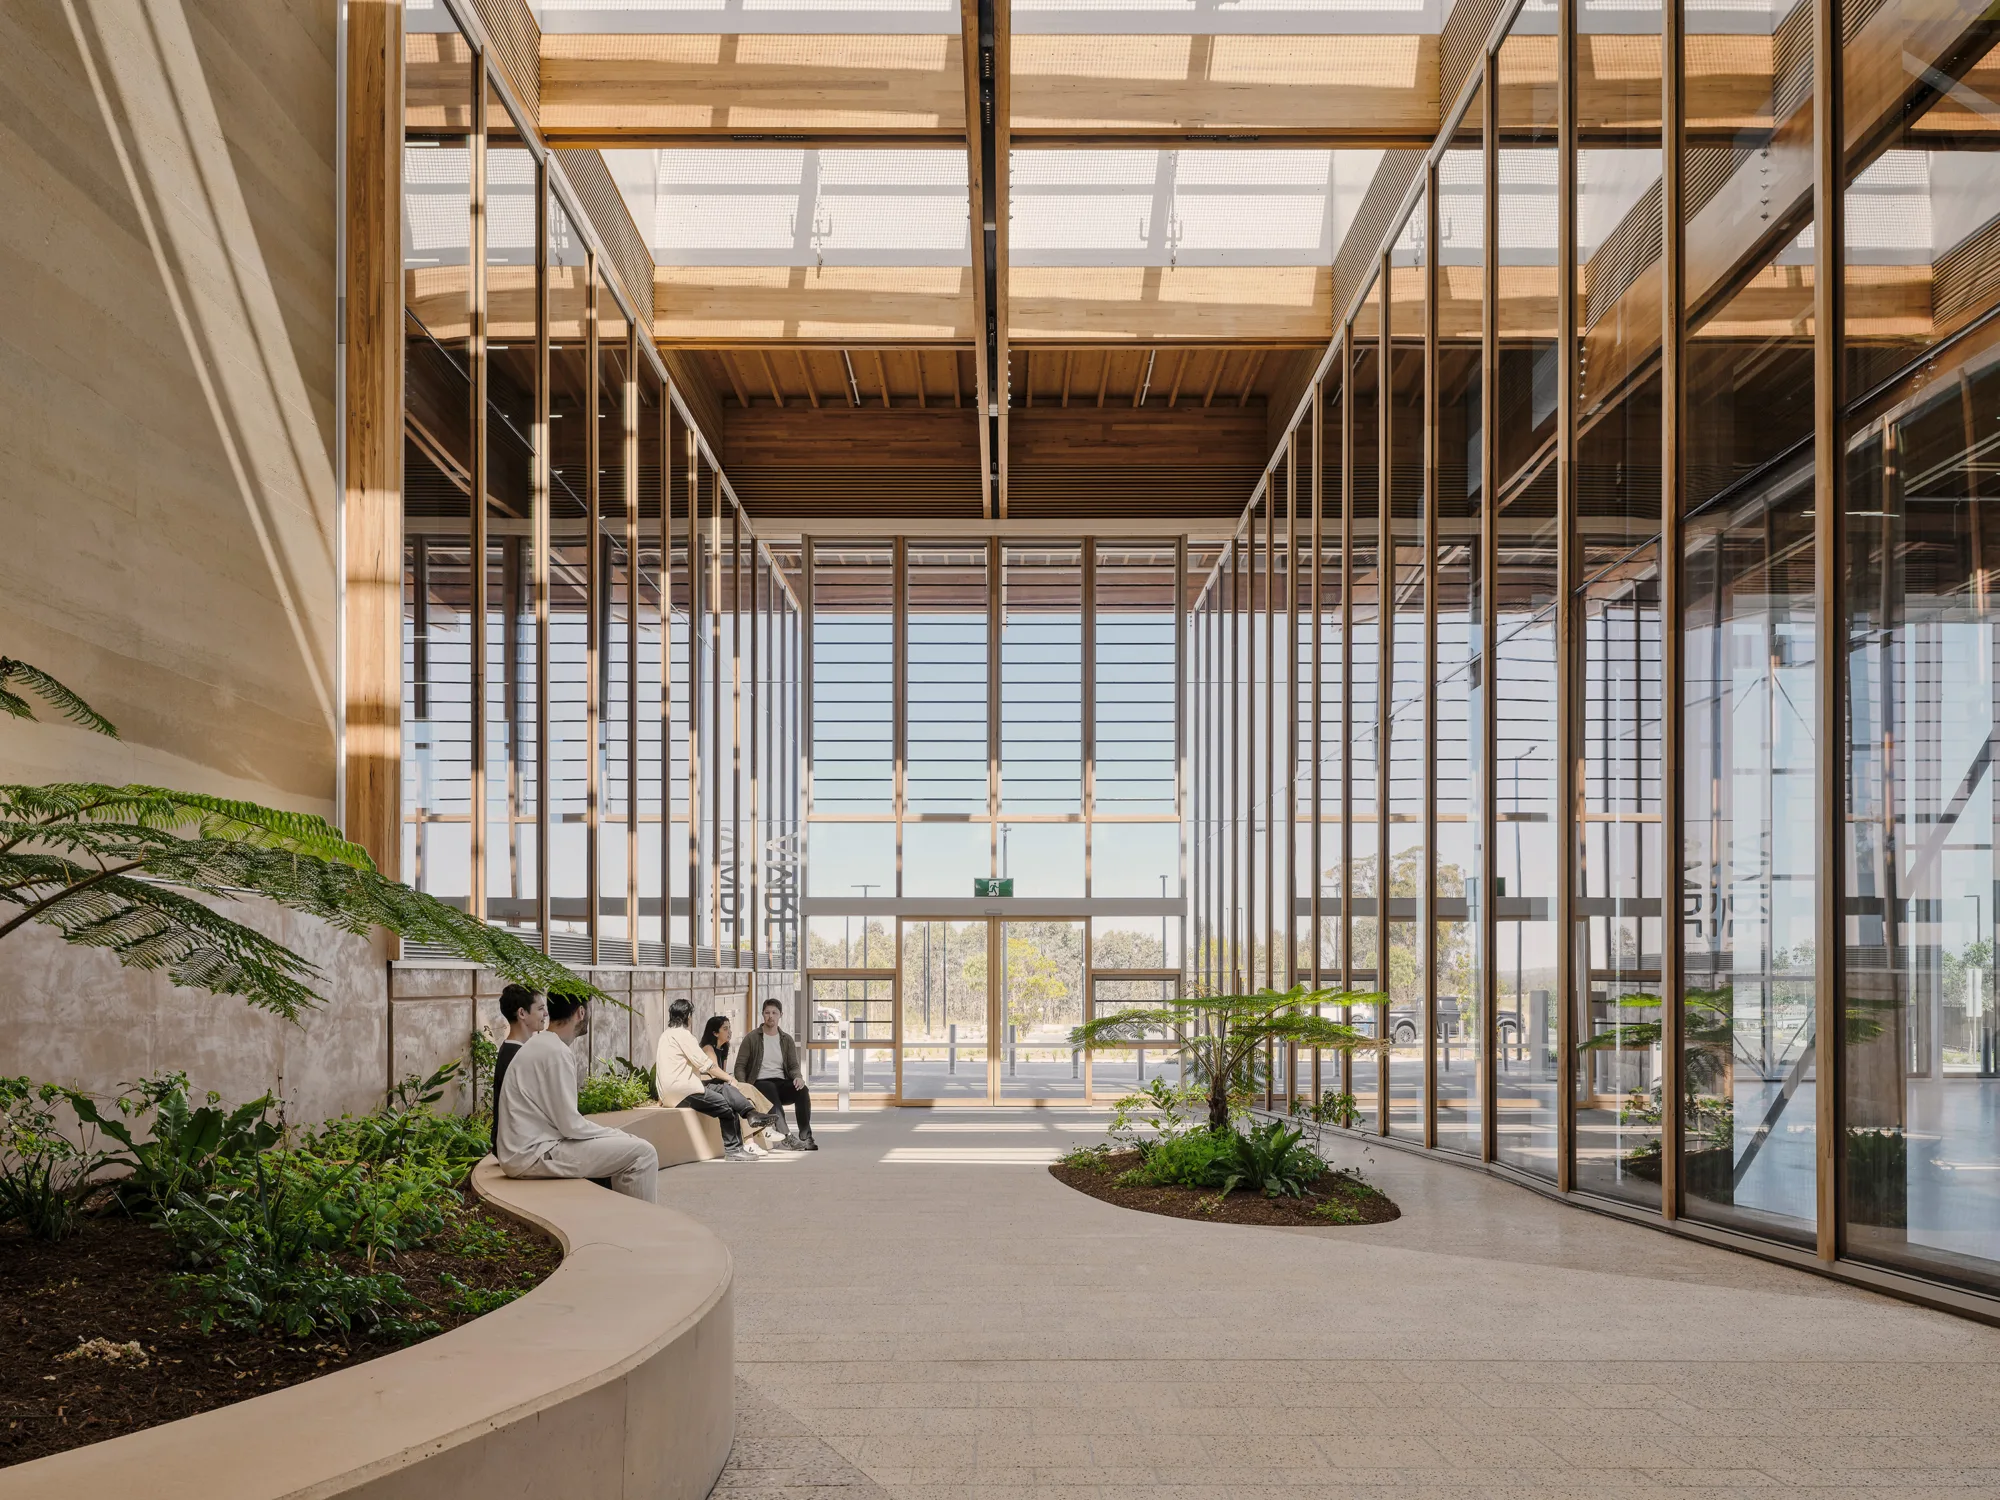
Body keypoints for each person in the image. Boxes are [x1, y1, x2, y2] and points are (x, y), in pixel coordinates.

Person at [494, 994, 659, 1201]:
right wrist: (616, 1134)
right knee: (643, 1153)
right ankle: (643, 1228)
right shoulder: (556, 1052)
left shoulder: (542, 1045)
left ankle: (626, 1218)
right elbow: (570, 1125)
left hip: (527, 1151)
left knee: (629, 1148)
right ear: (581, 1012)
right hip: (532, 1155)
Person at [657, 998, 763, 1161]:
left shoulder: (665, 1035)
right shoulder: (683, 1035)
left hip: (671, 1092)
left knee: (723, 1088)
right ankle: (734, 1150)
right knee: (727, 1107)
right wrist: (730, 1078)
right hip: (685, 1091)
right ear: (688, 1016)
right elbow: (707, 1065)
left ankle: (751, 1113)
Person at [733, 996, 817, 1151]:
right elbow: (740, 1066)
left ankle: (806, 1136)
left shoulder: (786, 1040)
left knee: (802, 1091)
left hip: (781, 1082)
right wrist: (744, 1087)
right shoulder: (752, 1038)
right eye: (767, 1013)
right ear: (762, 1014)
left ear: (780, 1015)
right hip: (759, 1083)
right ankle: (786, 1137)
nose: (770, 1016)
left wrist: (798, 1077)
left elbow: (793, 1066)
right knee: (769, 1087)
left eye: (774, 1013)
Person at [698, 1016, 774, 1157]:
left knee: (747, 1094)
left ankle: (751, 1142)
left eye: (729, 1028)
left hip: (720, 1083)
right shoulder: (708, 1048)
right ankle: (763, 1131)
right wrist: (730, 1080)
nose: (729, 1032)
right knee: (743, 1090)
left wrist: (729, 1080)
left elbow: (723, 1072)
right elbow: (713, 1071)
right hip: (709, 1086)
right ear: (715, 1033)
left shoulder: (724, 1048)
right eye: (725, 1029)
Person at [489, 984, 547, 1148]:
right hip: (517, 1147)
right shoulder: (517, 1055)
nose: (546, 1014)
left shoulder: (511, 1049)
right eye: (540, 1009)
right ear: (522, 1013)